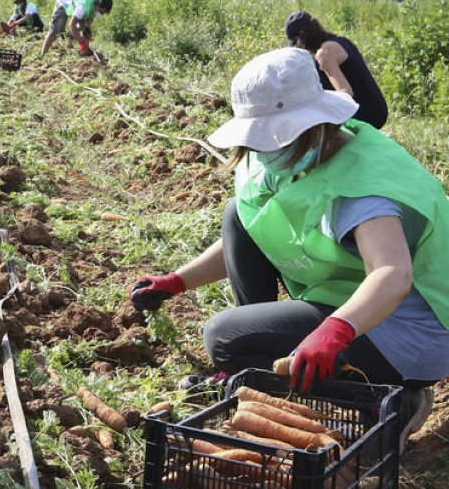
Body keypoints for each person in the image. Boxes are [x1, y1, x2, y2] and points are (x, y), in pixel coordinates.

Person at [129, 47, 445, 450]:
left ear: (311, 126)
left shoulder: (361, 186)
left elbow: (392, 274)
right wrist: (175, 282)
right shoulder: (285, 161)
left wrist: (334, 331)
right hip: (346, 299)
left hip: (405, 330)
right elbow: (259, 229)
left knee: (224, 338)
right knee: (237, 216)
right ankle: (271, 374)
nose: (264, 149)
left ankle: (390, 400)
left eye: (275, 136)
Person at [285, 10, 387, 130]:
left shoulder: (324, 54)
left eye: (296, 42)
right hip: (379, 108)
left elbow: (345, 93)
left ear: (302, 35)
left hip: (366, 116)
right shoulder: (341, 40)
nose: (298, 47)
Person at [40, 0, 113, 57]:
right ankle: (42, 55)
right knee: (55, 30)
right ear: (96, 6)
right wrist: (80, 40)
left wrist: (86, 31)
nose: (101, 14)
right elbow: (72, 25)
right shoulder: (83, 7)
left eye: (104, 12)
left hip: (79, 0)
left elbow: (88, 25)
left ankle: (84, 52)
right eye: (101, 12)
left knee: (86, 29)